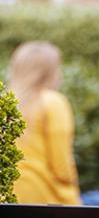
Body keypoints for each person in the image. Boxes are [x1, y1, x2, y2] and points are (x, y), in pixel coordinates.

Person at [9, 41, 80, 205]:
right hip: (45, 201)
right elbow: (62, 170)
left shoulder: (5, 104)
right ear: (50, 72)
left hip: (7, 201)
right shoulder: (53, 102)